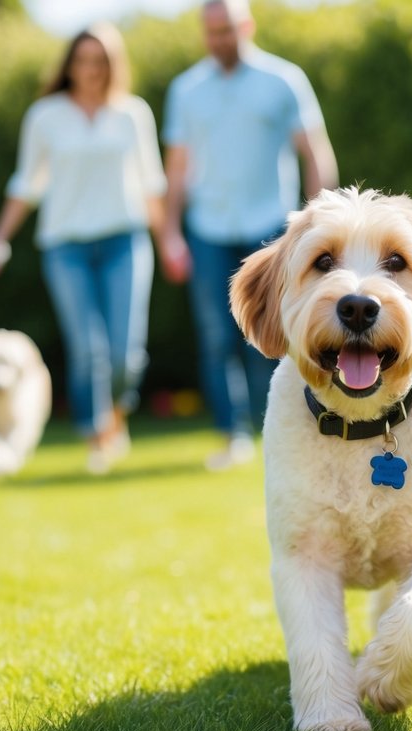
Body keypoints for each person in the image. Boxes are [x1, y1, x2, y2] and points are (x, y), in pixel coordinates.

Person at [0, 23, 166, 474]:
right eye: (82, 60)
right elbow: (25, 185)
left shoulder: (132, 113)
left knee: (125, 353)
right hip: (65, 246)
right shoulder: (45, 115)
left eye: (100, 61)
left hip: (126, 240)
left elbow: (152, 183)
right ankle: (97, 435)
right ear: (69, 65)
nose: (90, 70)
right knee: (88, 349)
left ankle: (116, 417)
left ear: (113, 65)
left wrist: (169, 239)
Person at [160, 0, 338, 471]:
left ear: (247, 25)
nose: (220, 40)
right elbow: (176, 168)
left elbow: (314, 152)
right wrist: (169, 232)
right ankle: (232, 434)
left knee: (272, 333)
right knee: (215, 336)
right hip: (207, 230)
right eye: (211, 32)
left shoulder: (283, 80)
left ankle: (277, 427)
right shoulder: (186, 90)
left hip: (271, 231)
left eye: (227, 30)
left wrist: (319, 222)